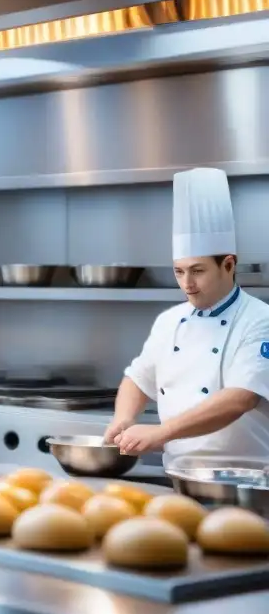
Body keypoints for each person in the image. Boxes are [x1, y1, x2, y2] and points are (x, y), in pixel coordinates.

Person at [104, 168, 269, 466]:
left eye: (198, 271)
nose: (187, 284)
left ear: (228, 265)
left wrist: (162, 432)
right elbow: (138, 378)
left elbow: (240, 398)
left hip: (248, 478)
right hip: (180, 474)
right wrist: (123, 420)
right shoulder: (169, 320)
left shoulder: (259, 320)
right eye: (179, 271)